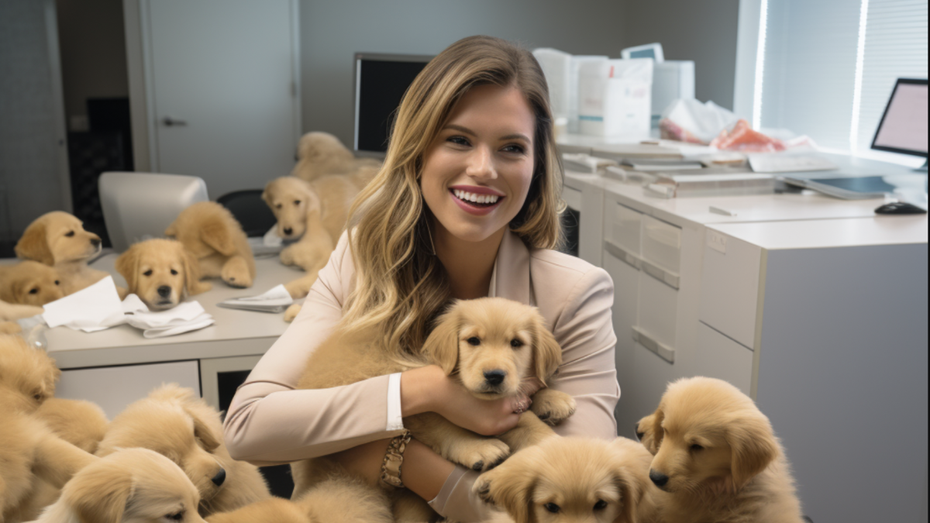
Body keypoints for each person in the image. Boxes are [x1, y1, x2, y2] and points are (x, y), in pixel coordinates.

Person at [223, 35, 620, 521]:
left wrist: (392, 458)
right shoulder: (359, 259)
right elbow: (247, 427)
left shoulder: (576, 293)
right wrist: (428, 393)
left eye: (511, 148)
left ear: (536, 168)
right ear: (417, 150)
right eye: (458, 139)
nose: (482, 168)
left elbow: (574, 497)